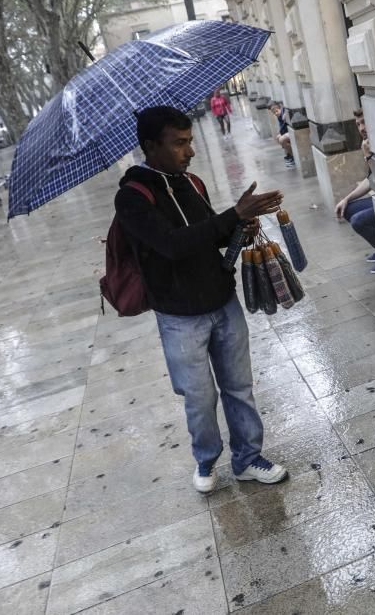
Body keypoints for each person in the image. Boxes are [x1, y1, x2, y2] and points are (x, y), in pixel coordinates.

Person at [114, 106, 289, 494]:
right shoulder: (132, 198)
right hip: (179, 317)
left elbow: (211, 235)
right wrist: (232, 214)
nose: (190, 151)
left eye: (190, 141)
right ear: (150, 146)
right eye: (179, 143)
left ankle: (247, 459)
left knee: (239, 386)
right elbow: (172, 245)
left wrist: (241, 225)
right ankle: (206, 459)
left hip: (222, 302)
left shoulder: (192, 183)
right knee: (199, 396)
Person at [334, 108, 375, 274]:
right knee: (348, 208)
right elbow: (370, 179)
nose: (361, 128)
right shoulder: (368, 143)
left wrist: (368, 156)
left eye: (364, 122)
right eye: (358, 124)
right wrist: (346, 199)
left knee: (358, 220)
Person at [268, 101, 294, 168]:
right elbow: (282, 127)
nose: (276, 113)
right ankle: (289, 154)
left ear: (280, 108)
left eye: (276, 111)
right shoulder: (279, 116)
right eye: (274, 113)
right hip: (287, 131)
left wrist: (286, 114)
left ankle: (292, 157)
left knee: (282, 139)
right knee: (278, 138)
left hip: (291, 130)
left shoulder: (284, 111)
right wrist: (281, 133)